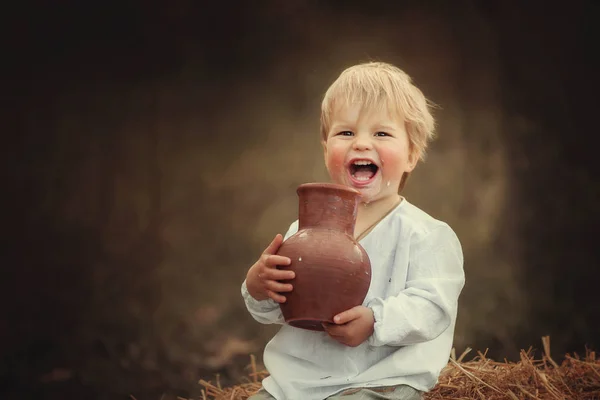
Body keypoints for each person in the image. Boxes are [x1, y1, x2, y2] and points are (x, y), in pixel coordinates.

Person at [241, 61, 465, 400]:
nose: (361, 143)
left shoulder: (427, 235)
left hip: (382, 382)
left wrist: (376, 320)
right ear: (326, 148)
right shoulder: (302, 230)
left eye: (381, 133)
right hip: (296, 386)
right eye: (346, 132)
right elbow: (280, 309)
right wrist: (260, 287)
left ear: (412, 155)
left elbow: (434, 307)